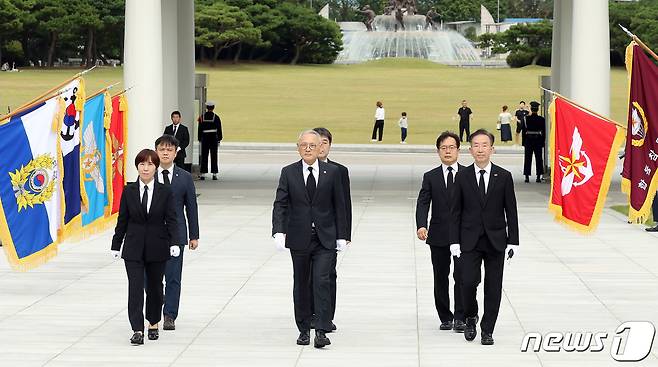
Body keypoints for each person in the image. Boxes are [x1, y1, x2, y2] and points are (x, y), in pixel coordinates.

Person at [272, 130, 348, 349]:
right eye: (303, 145)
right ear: (298, 147)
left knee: (322, 281)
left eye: (312, 145)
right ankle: (304, 329)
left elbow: (339, 206)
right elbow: (281, 203)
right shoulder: (289, 172)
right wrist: (278, 230)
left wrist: (342, 235)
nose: (308, 149)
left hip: (325, 238)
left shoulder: (332, 172)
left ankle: (322, 329)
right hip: (299, 238)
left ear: (319, 148)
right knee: (302, 284)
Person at [449, 129, 519, 346]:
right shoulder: (461, 176)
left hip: (496, 240)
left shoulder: (504, 176)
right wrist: (454, 241)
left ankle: (487, 329)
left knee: (493, 286)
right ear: (470, 150)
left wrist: (514, 241)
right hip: (469, 240)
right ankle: (471, 316)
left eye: (484, 145)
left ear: (492, 149)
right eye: (476, 146)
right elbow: (455, 212)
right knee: (467, 282)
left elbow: (511, 210)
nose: (480, 149)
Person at [111, 149, 179, 345]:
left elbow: (172, 219)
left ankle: (153, 323)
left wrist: (175, 242)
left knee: (156, 288)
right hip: (133, 247)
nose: (146, 168)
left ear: (156, 167)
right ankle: (137, 329)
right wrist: (117, 244)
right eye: (142, 164)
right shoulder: (129, 190)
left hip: (157, 246)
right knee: (135, 288)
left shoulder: (165, 191)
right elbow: (122, 219)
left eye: (150, 164)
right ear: (137, 167)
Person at [416, 131, 466, 333]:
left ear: (458, 150)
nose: (448, 151)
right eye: (444, 148)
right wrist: (421, 225)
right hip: (438, 235)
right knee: (441, 276)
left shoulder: (468, 174)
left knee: (462, 277)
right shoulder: (431, 176)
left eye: (451, 147)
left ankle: (461, 317)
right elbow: (423, 203)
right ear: (438, 151)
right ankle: (445, 316)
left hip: (463, 236)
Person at [154, 135, 200, 331]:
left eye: (169, 149)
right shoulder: (149, 174)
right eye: (162, 149)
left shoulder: (184, 177)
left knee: (173, 277)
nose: (165, 153)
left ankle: (170, 314)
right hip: (153, 235)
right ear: (156, 151)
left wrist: (194, 235)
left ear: (176, 152)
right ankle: (156, 307)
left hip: (176, 235)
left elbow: (191, 207)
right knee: (153, 278)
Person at [311, 127, 352, 332]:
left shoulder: (339, 171)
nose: (321, 146)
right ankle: (311, 313)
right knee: (309, 276)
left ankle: (326, 316)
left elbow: (344, 204)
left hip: (330, 233)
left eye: (325, 142)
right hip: (307, 233)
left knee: (327, 275)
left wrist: (345, 234)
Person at [197, 101, 222, 180]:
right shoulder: (216, 117)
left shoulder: (202, 117)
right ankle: (214, 174)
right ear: (213, 108)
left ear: (207, 108)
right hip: (213, 138)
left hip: (205, 138)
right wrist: (219, 138)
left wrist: (199, 138)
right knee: (214, 155)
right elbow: (219, 129)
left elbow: (200, 128)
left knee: (204, 156)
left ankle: (203, 173)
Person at [522, 101, 546, 183]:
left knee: (527, 158)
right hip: (538, 140)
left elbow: (524, 132)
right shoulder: (541, 119)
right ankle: (538, 176)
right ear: (538, 109)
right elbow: (543, 132)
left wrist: (523, 143)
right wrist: (543, 142)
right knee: (539, 159)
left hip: (528, 140)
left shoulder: (526, 119)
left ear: (531, 109)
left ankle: (527, 176)